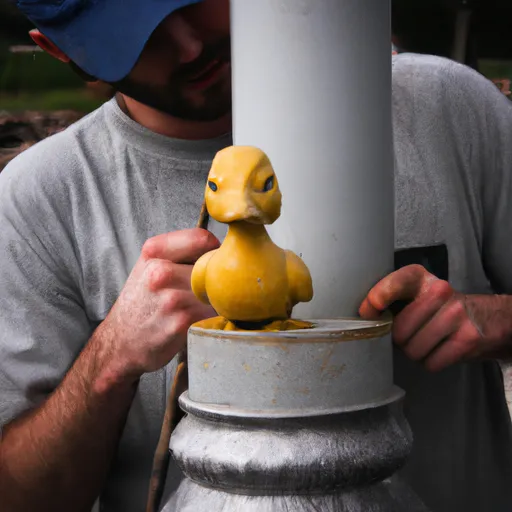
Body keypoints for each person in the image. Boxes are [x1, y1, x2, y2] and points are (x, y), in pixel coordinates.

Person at [0, 1, 511, 511]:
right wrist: (110, 359)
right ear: (58, 49)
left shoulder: (445, 106)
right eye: (137, 40)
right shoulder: (38, 202)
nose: (189, 46)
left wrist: (498, 320)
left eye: (192, 0)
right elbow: (21, 496)